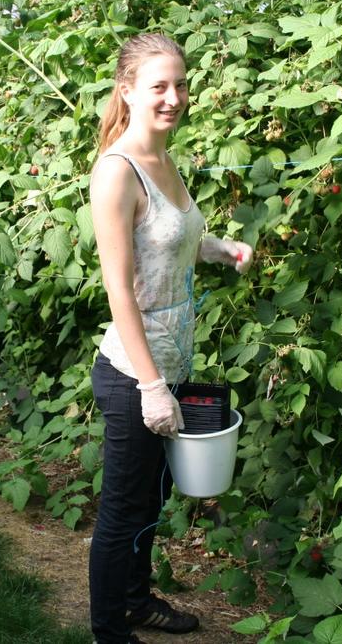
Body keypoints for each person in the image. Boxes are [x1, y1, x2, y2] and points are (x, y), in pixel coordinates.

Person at [88, 34, 253, 644]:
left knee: (149, 506)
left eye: (180, 84)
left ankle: (135, 602)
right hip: (135, 374)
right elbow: (120, 291)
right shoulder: (117, 173)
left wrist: (219, 248)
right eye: (158, 85)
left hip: (171, 365)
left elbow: (171, 241)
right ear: (127, 90)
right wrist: (153, 387)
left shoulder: (166, 159)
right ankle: (110, 630)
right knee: (122, 514)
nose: (174, 97)